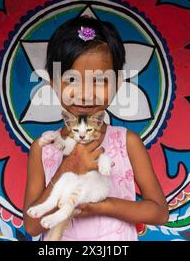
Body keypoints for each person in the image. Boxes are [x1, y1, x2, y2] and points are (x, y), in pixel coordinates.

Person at [23, 15, 169, 241]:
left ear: (118, 83)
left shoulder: (127, 143)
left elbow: (159, 212)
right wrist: (67, 167)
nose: (85, 93)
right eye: (71, 80)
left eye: (99, 81)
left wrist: (102, 206)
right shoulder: (43, 149)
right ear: (52, 82)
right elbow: (32, 226)